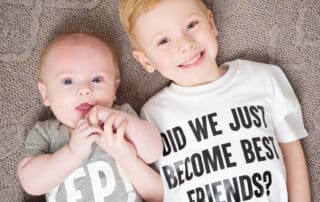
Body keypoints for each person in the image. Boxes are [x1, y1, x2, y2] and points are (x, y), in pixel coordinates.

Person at [119, 0, 311, 201]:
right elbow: (160, 190)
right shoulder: (152, 115)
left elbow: (292, 152)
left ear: (211, 24)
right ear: (146, 61)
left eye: (191, 25)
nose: (185, 44)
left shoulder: (263, 79)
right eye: (163, 41)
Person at [17, 33, 163, 202]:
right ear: (45, 94)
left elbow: (154, 152)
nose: (85, 89)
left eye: (96, 79)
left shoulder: (121, 117)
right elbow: (31, 183)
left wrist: (118, 120)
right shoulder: (46, 132)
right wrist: (73, 153)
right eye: (68, 81)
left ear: (114, 89)